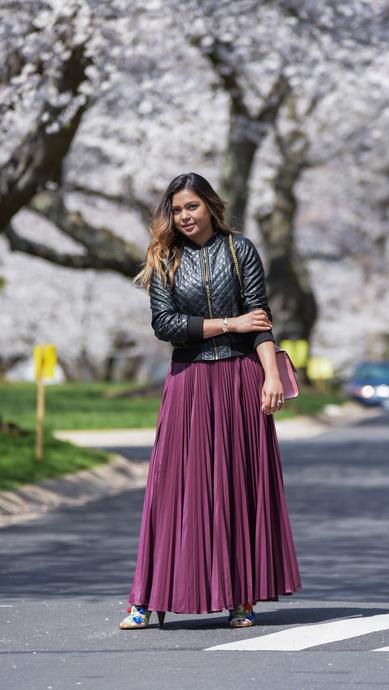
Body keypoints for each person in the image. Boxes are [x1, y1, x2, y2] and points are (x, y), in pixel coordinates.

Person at [119, 172, 302, 630]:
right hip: (189, 381)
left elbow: (259, 319)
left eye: (192, 207)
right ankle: (145, 598)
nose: (184, 216)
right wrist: (228, 324)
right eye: (176, 209)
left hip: (240, 379)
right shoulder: (163, 257)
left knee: (238, 486)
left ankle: (241, 598)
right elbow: (166, 325)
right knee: (173, 487)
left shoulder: (241, 251)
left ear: (210, 207)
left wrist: (271, 376)